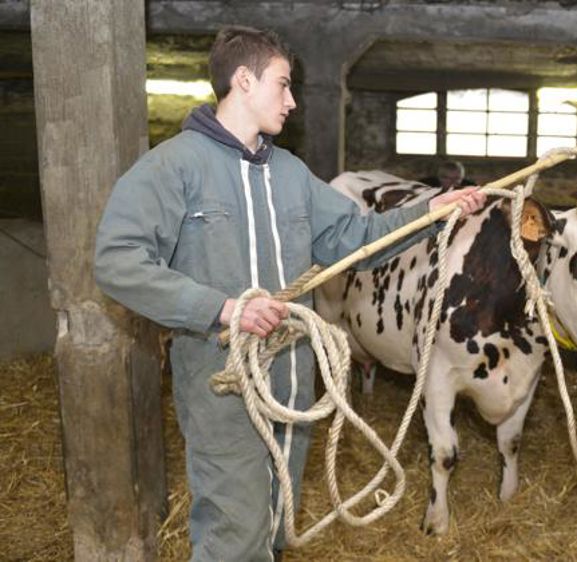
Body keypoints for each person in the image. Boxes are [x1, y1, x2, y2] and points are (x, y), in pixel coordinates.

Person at [93, 26, 485, 561]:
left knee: (276, 521)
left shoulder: (291, 174)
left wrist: (430, 213)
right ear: (244, 80)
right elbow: (117, 260)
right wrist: (224, 308)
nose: (293, 101)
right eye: (283, 85)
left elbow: (357, 241)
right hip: (225, 385)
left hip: (293, 385)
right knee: (235, 533)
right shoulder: (174, 167)